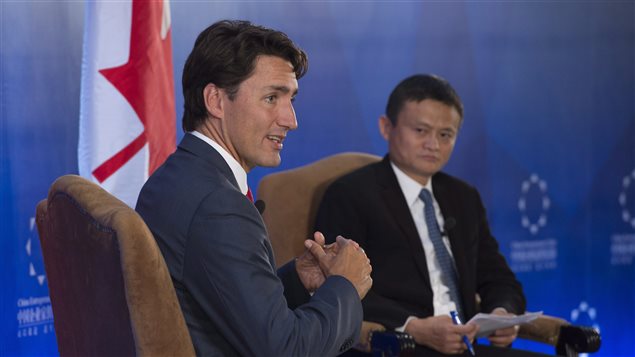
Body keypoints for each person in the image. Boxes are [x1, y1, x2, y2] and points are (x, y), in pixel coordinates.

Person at [136, 20, 372, 356]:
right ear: (216, 100)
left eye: (290, 99)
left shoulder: (176, 177)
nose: (291, 120)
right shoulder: (219, 206)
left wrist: (294, 280)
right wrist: (344, 286)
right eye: (272, 97)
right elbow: (286, 350)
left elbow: (212, 302)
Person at [314, 74, 526, 356]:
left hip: (466, 344)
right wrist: (413, 326)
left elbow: (498, 277)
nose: (433, 145)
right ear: (386, 127)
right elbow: (339, 285)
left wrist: (502, 313)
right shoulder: (350, 194)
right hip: (399, 345)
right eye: (421, 131)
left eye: (445, 135)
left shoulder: (463, 197)